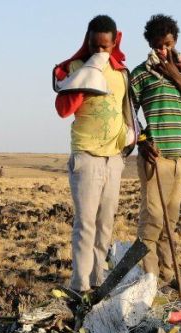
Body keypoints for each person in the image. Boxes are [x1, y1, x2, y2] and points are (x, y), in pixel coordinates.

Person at [53, 15, 139, 299]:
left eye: (105, 46)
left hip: (114, 159)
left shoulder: (121, 73)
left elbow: (127, 110)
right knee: (85, 223)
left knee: (105, 224)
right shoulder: (76, 68)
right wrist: (90, 70)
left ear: (115, 43)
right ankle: (79, 287)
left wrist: (130, 137)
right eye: (94, 45)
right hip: (87, 156)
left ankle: (98, 282)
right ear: (87, 41)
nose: (99, 51)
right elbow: (64, 109)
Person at [131, 14, 181, 290]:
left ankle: (167, 276)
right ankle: (148, 281)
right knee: (152, 219)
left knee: (169, 221)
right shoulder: (140, 74)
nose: (163, 50)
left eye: (168, 44)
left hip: (178, 158)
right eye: (157, 45)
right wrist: (142, 141)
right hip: (156, 157)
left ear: (175, 42)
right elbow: (128, 114)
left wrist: (176, 75)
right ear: (150, 44)